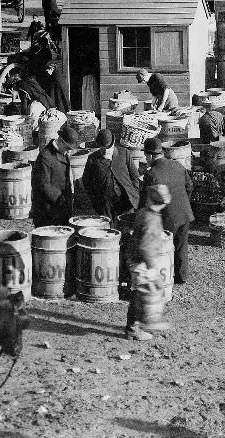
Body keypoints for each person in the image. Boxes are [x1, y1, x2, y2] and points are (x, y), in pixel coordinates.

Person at [124, 183, 174, 341]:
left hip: (135, 257)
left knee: (139, 293)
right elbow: (146, 247)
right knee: (144, 294)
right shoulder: (152, 220)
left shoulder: (143, 212)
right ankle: (135, 328)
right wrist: (152, 270)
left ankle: (134, 325)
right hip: (142, 261)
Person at [142, 137, 194, 285]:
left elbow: (145, 200)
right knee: (181, 245)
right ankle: (182, 276)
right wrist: (183, 201)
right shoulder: (177, 165)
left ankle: (163, 277)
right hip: (184, 213)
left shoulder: (151, 174)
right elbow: (189, 186)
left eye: (146, 156)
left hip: (166, 217)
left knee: (163, 249)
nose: (146, 159)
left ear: (151, 155)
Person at [82, 129, 140, 224]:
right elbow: (86, 182)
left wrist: (134, 191)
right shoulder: (92, 158)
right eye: (102, 148)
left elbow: (134, 175)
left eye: (107, 148)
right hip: (105, 203)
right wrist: (95, 200)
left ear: (112, 145)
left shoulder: (124, 153)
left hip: (125, 200)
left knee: (126, 226)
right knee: (108, 228)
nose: (104, 150)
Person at [31, 125, 80, 227]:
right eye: (67, 148)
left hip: (61, 207)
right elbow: (43, 185)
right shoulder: (45, 157)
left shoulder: (62, 152)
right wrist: (60, 198)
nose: (68, 151)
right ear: (60, 141)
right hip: (48, 210)